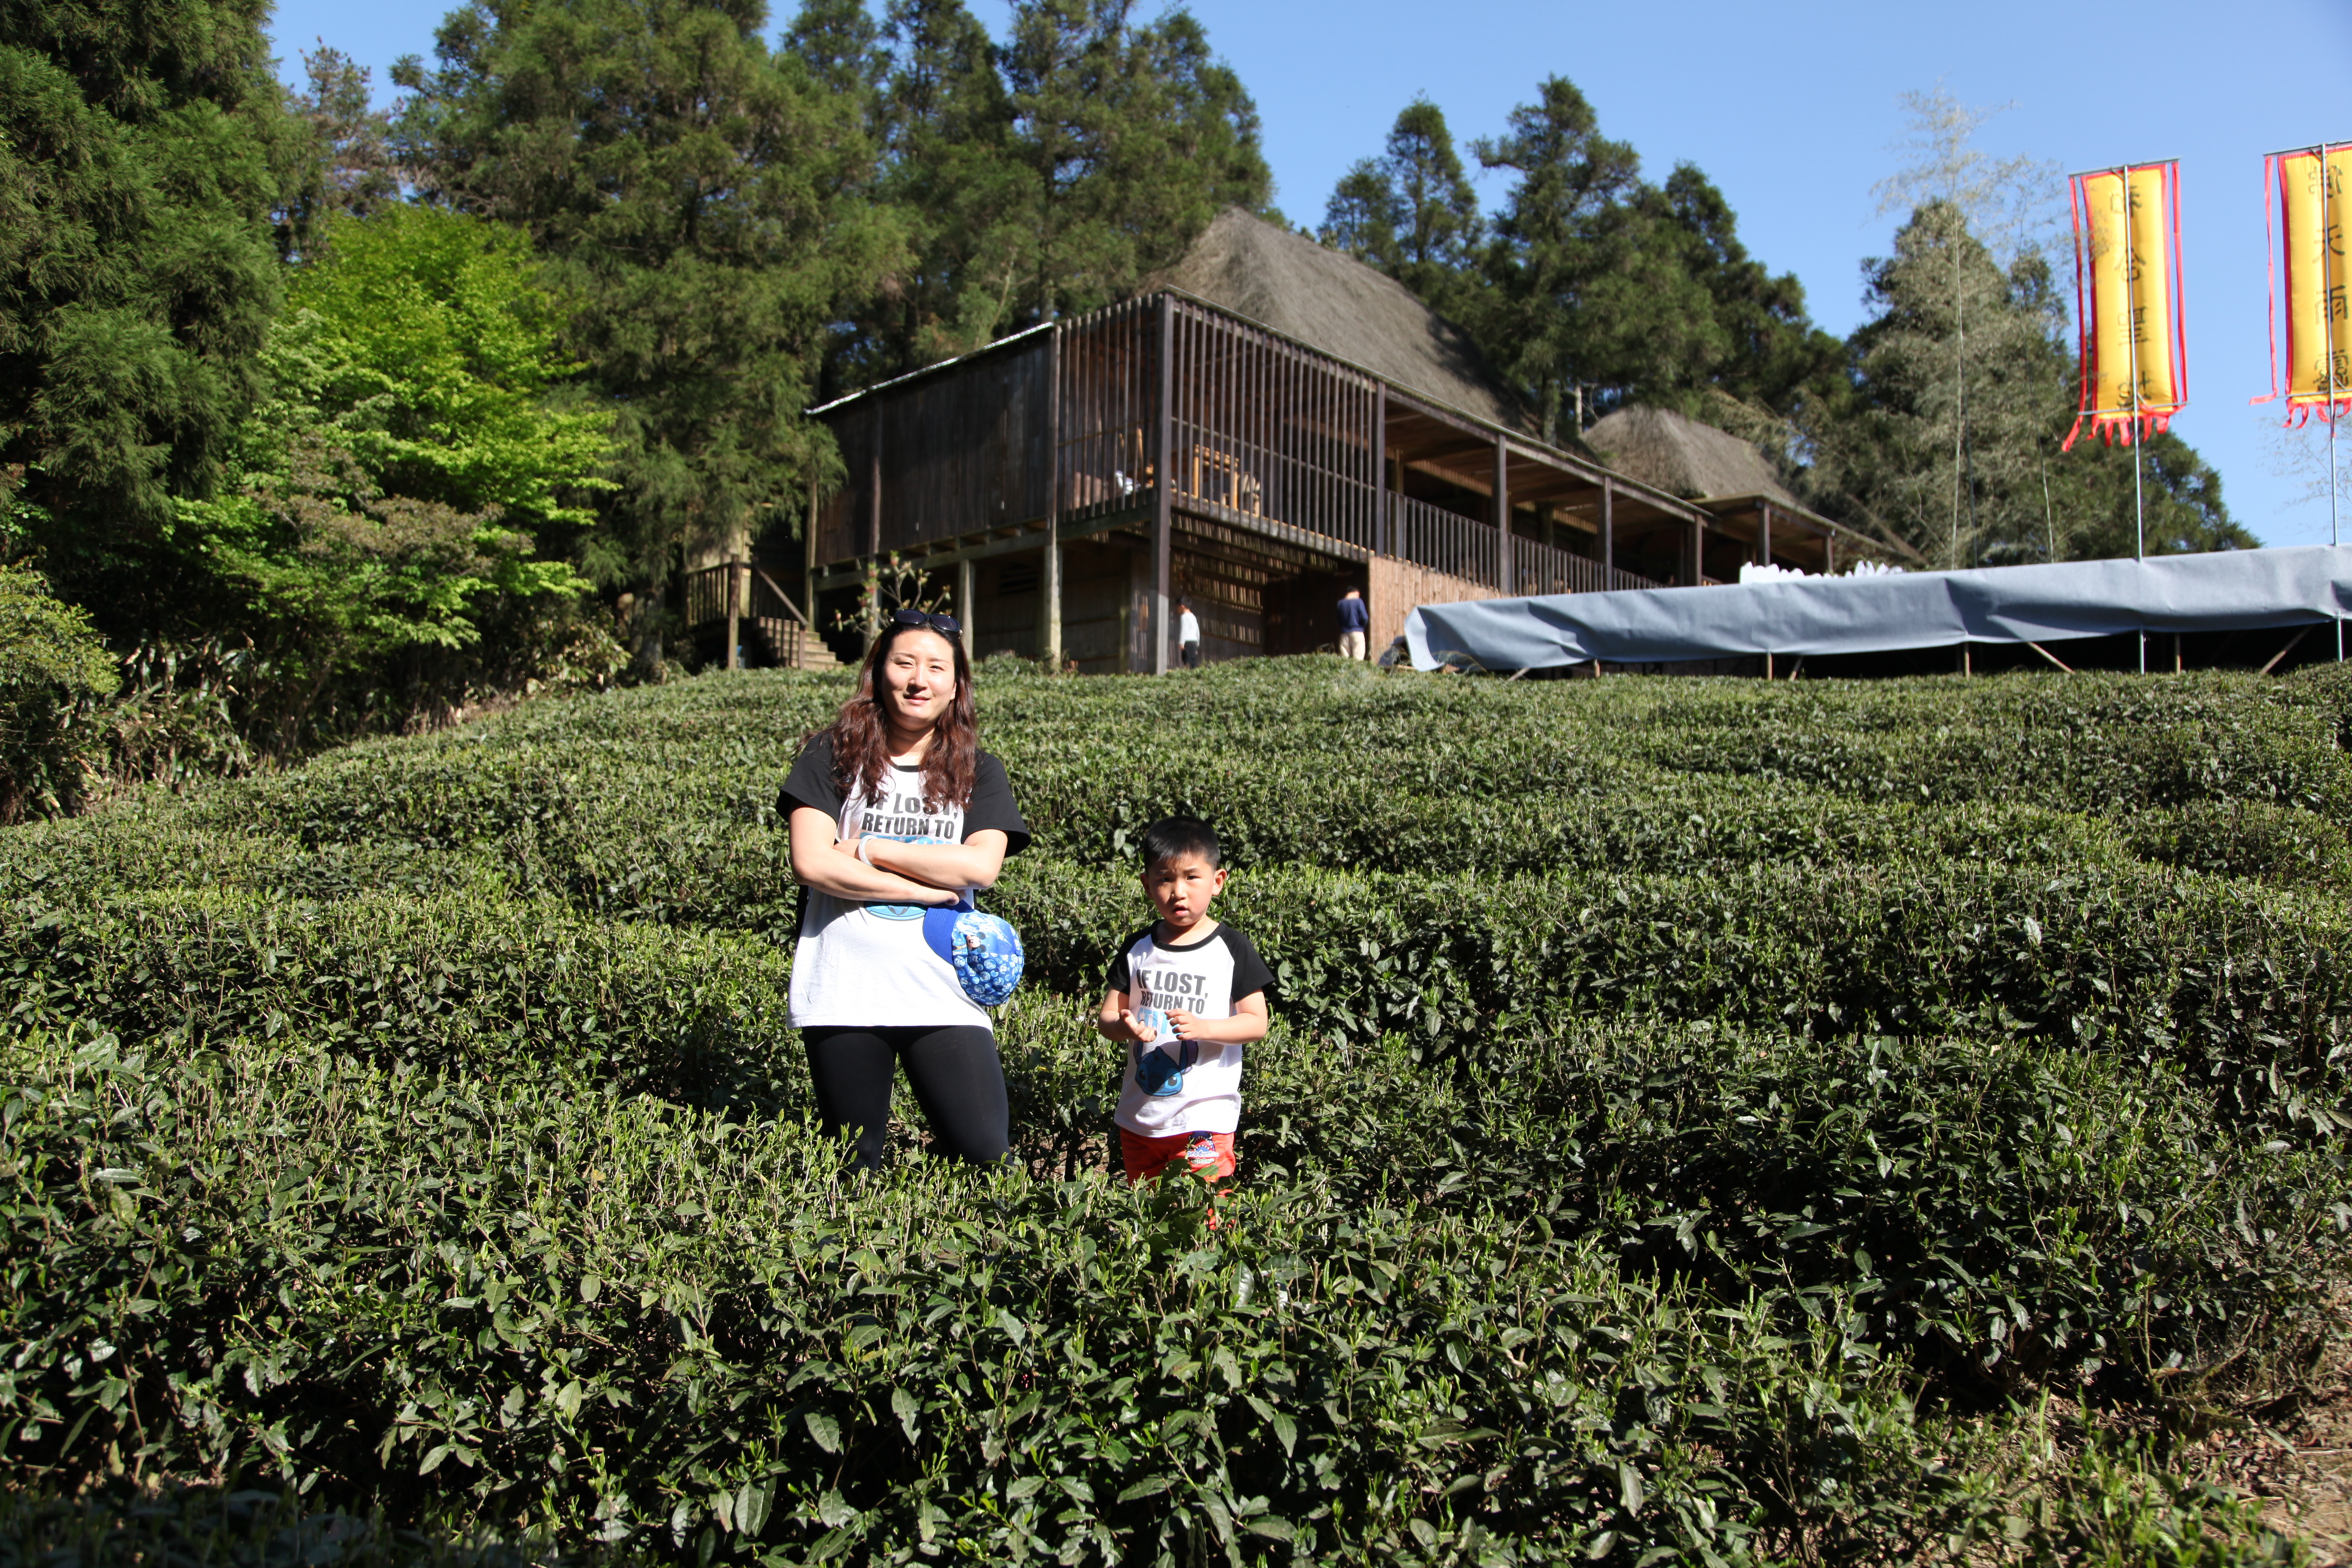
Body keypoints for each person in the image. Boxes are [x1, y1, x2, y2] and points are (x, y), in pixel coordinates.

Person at [779, 608, 1031, 1171]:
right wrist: (921, 889)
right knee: (854, 1162)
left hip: (942, 985)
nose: (919, 679)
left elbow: (979, 867)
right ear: (879, 672)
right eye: (905, 663)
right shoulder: (831, 756)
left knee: (986, 1150)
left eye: (936, 667)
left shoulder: (979, 771)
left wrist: (871, 848)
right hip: (844, 987)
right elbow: (813, 862)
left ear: (956, 685)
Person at [1095, 817, 1271, 1191]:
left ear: (1218, 881)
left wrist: (1206, 1029)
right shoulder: (1137, 948)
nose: (1178, 892)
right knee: (1146, 1216)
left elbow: (1257, 1022)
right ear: (1147, 885)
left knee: (1199, 1217)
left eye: (1192, 877)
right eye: (1164, 879)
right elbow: (1108, 1016)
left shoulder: (1232, 948)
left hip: (1203, 1118)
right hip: (1141, 1118)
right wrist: (1123, 1026)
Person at [1336, 585, 1370, 661]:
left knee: (1344, 660)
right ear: (1357, 594)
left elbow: (1339, 620)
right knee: (1358, 659)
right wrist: (1361, 627)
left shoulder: (1340, 604)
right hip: (1357, 632)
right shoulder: (1359, 601)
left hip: (1344, 634)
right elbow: (1365, 617)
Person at [1176, 598, 1203, 669]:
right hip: (1194, 642)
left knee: (1187, 661)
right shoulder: (1193, 616)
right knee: (1193, 661)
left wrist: (1182, 643)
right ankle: (1195, 676)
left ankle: (1188, 677)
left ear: (1182, 606)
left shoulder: (1184, 616)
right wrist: (1198, 643)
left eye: (1178, 607)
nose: (1177, 609)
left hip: (1187, 642)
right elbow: (1197, 630)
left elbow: (1184, 629)